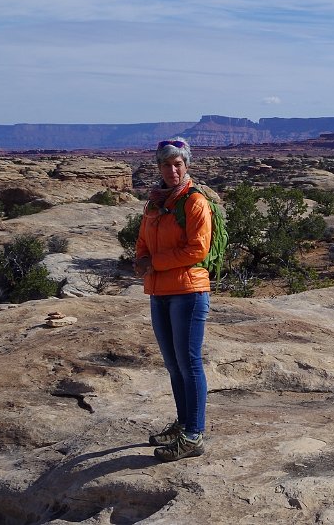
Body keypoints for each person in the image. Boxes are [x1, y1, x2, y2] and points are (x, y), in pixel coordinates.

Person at [134, 137, 211, 462]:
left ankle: (194, 435)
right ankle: (183, 425)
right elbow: (143, 241)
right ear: (159, 167)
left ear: (186, 165)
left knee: (189, 364)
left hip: (188, 292)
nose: (172, 169)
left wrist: (155, 262)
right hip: (159, 291)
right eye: (166, 164)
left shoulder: (194, 202)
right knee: (173, 365)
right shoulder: (154, 204)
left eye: (177, 163)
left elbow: (198, 249)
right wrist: (141, 260)